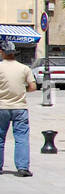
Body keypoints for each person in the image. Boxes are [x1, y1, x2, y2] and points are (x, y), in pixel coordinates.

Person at [0, 39, 38, 178]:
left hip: (1, 107)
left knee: (0, 138)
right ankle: (22, 168)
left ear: (2, 52)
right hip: (20, 107)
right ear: (14, 53)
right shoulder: (24, 68)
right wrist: (22, 90)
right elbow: (33, 87)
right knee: (21, 138)